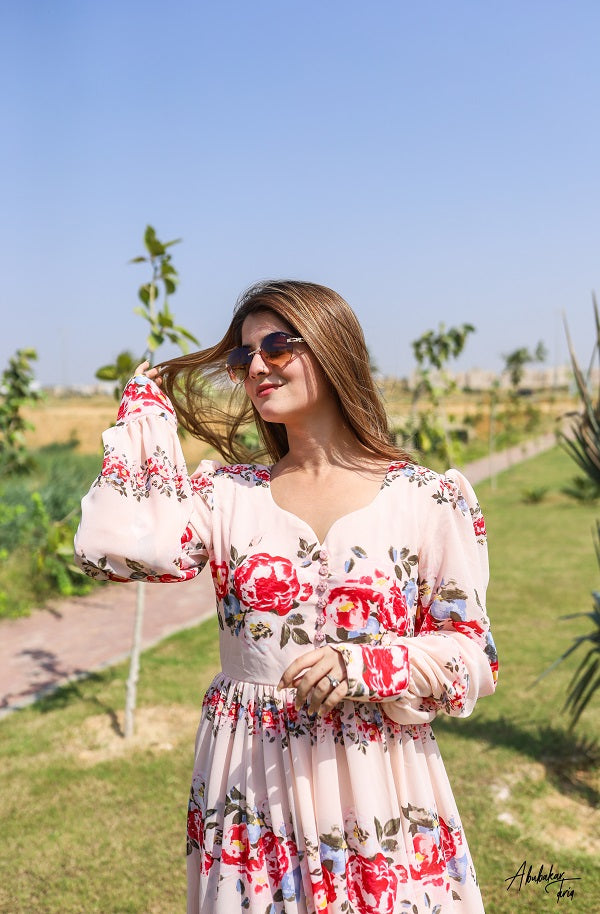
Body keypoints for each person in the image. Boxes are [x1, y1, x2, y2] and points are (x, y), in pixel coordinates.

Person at [75, 279, 498, 914]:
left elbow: (473, 654)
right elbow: (123, 552)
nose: (258, 366)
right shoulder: (226, 495)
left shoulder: (428, 498)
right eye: (244, 356)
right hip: (251, 771)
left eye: (277, 345)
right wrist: (145, 411)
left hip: (378, 775)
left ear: (332, 347)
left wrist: (368, 665)